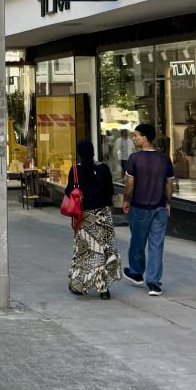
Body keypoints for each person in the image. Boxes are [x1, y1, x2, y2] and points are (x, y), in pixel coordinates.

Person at [122, 123, 174, 297]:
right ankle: (154, 284)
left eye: (136, 135)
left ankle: (136, 272)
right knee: (156, 245)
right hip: (159, 208)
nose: (134, 138)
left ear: (144, 138)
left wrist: (126, 200)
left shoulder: (134, 159)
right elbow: (169, 184)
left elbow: (130, 184)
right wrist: (168, 202)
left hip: (139, 207)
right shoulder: (164, 159)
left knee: (137, 241)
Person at [66, 140, 120, 299]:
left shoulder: (75, 170)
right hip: (103, 216)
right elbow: (110, 191)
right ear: (93, 152)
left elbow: (69, 191)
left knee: (84, 251)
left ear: (78, 154)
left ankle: (79, 284)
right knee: (103, 250)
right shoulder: (103, 169)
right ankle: (103, 289)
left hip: (85, 216)